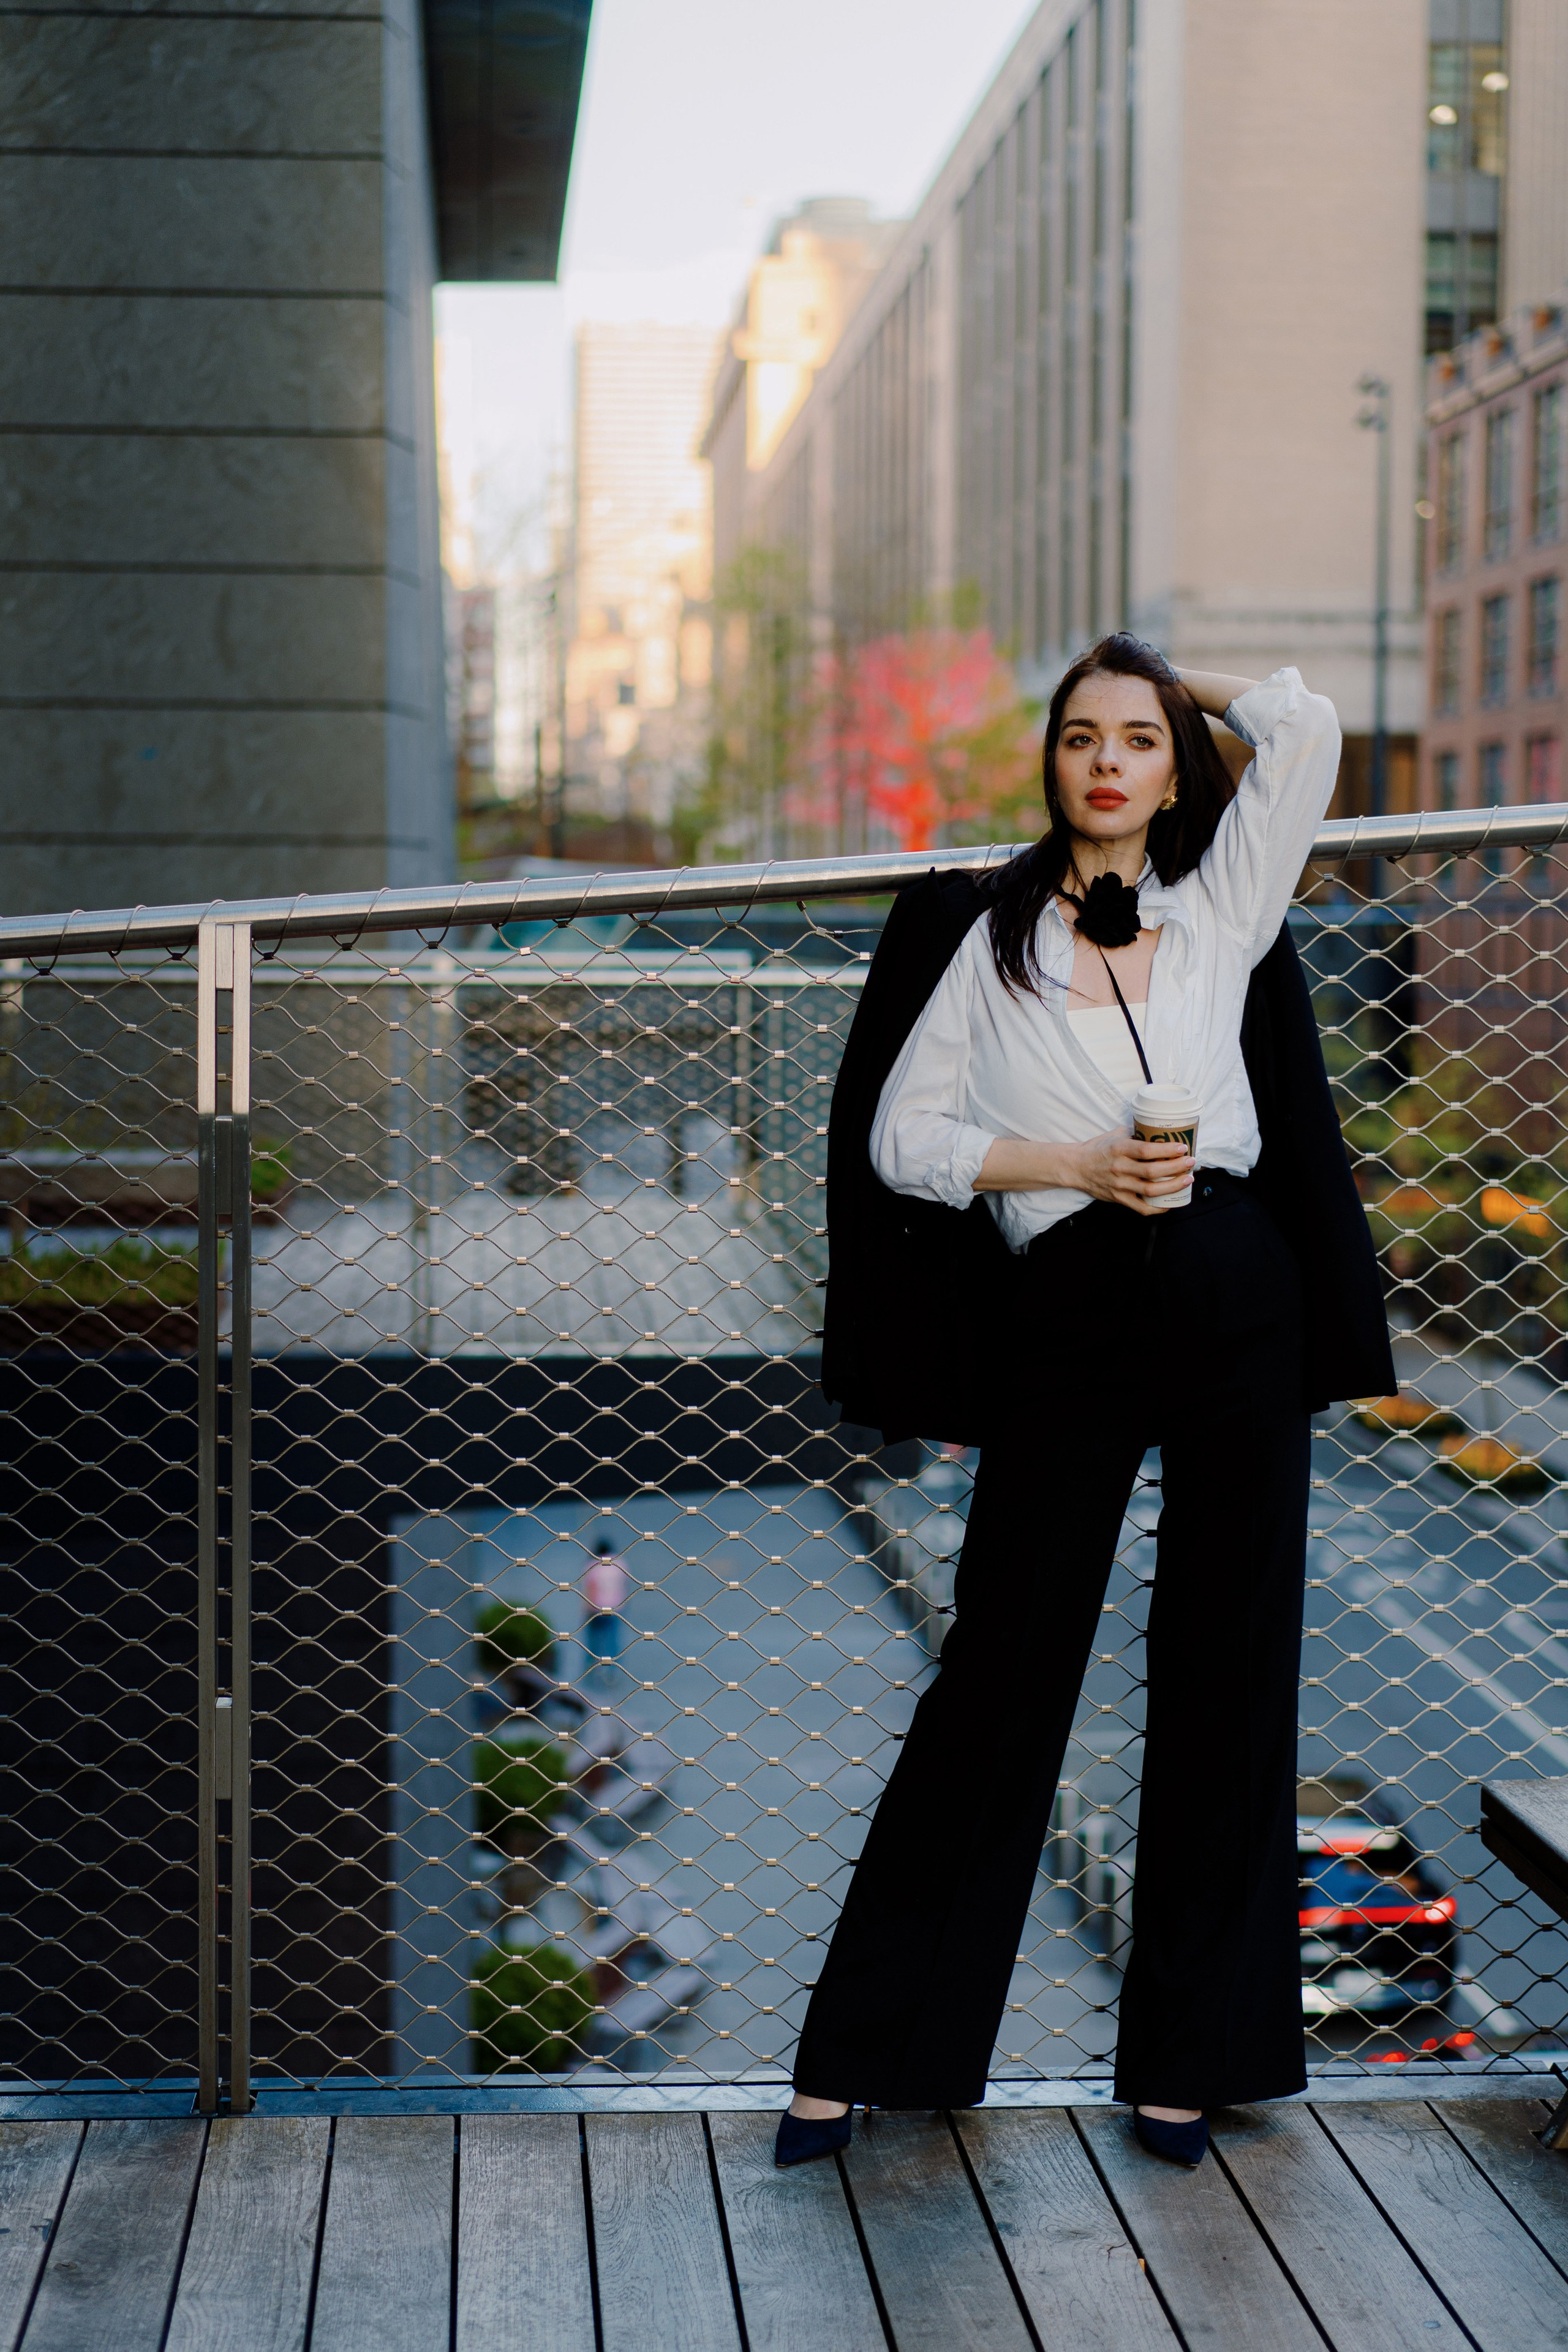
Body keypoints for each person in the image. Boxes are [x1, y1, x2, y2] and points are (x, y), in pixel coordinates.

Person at [777, 633, 1392, 2173]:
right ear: (1046, 766)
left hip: (1237, 1286)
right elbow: (904, 1140)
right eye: (1077, 737)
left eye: (1135, 737)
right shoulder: (983, 937)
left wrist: (1184, 674)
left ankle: (1190, 2059)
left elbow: (1302, 731)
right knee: (1000, 1665)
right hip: (1069, 1298)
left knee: (1227, 1668)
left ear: (1172, 766)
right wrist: (1066, 1166)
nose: (1105, 760)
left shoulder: (1217, 906)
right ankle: (869, 2053)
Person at [581, 1539, 628, 1686]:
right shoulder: (620, 1564)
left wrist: (585, 1609)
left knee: (594, 1641)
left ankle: (592, 1669)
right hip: (616, 1607)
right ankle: (613, 1672)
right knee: (613, 1640)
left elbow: (591, 1590)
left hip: (596, 1608)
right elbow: (623, 1585)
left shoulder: (592, 1566)